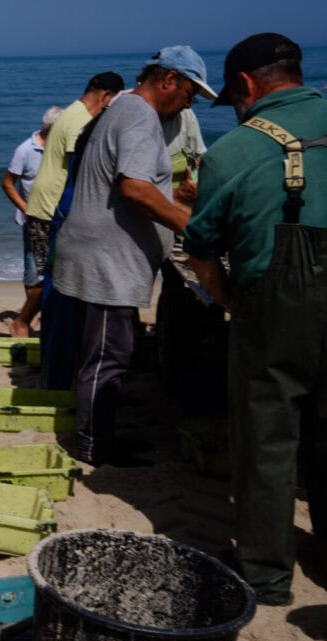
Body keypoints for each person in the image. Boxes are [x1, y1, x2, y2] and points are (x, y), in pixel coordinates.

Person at [183, 33, 327, 606]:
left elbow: (201, 245)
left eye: (234, 99)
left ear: (245, 86)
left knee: (268, 434)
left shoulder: (237, 150)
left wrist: (230, 303)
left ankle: (267, 575)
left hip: (276, 299)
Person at [50, 46, 215, 467]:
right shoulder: (141, 115)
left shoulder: (122, 108)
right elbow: (134, 189)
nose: (189, 103)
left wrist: (173, 199)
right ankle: (94, 447)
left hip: (97, 250)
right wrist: (191, 227)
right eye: (190, 93)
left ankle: (97, 436)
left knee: (105, 352)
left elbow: (128, 183)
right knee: (108, 357)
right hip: (107, 260)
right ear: (169, 80)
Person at [15, 72, 124, 340]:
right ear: (106, 96)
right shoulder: (80, 121)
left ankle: (39, 326)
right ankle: (27, 324)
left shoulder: (71, 112)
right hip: (53, 206)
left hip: (45, 202)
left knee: (52, 274)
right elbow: (84, 167)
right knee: (55, 277)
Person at [3, 107, 62, 336]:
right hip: (34, 220)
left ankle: (41, 315)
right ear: (52, 128)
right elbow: (8, 183)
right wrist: (25, 208)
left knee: (54, 269)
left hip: (57, 219)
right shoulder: (26, 150)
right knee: (33, 271)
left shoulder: (62, 149)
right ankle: (29, 318)